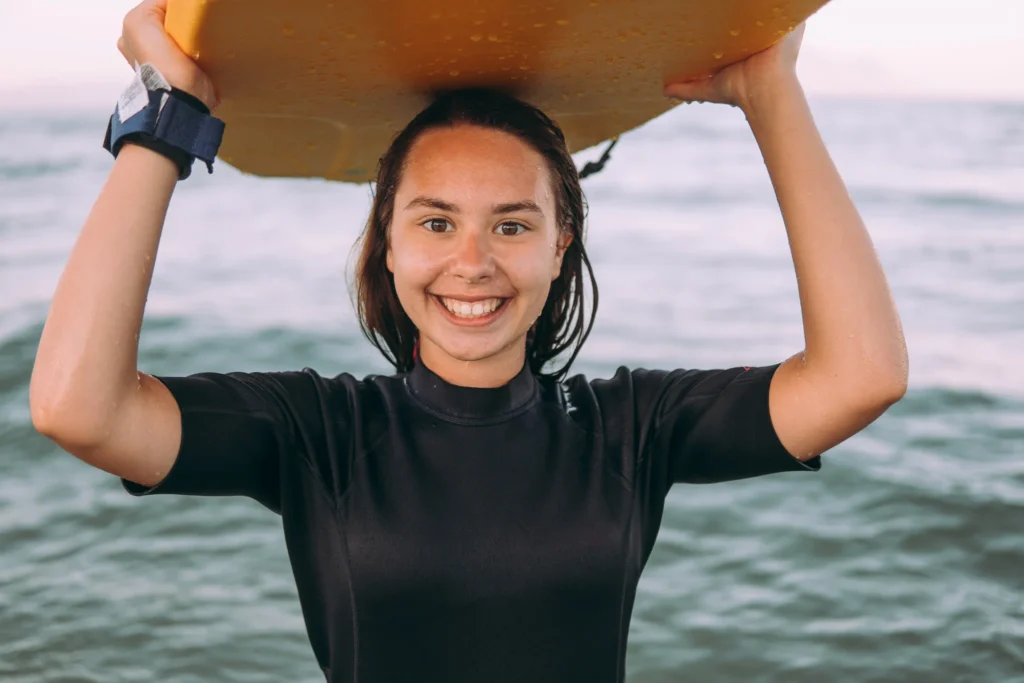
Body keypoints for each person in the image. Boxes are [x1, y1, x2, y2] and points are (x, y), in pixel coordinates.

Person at [29, 0, 909, 681]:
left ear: (563, 244)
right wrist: (167, 117)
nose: (473, 263)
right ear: (386, 240)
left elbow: (860, 374)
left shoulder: (631, 426)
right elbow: (78, 405)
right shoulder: (314, 430)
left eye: (514, 226)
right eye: (437, 221)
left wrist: (772, 94)